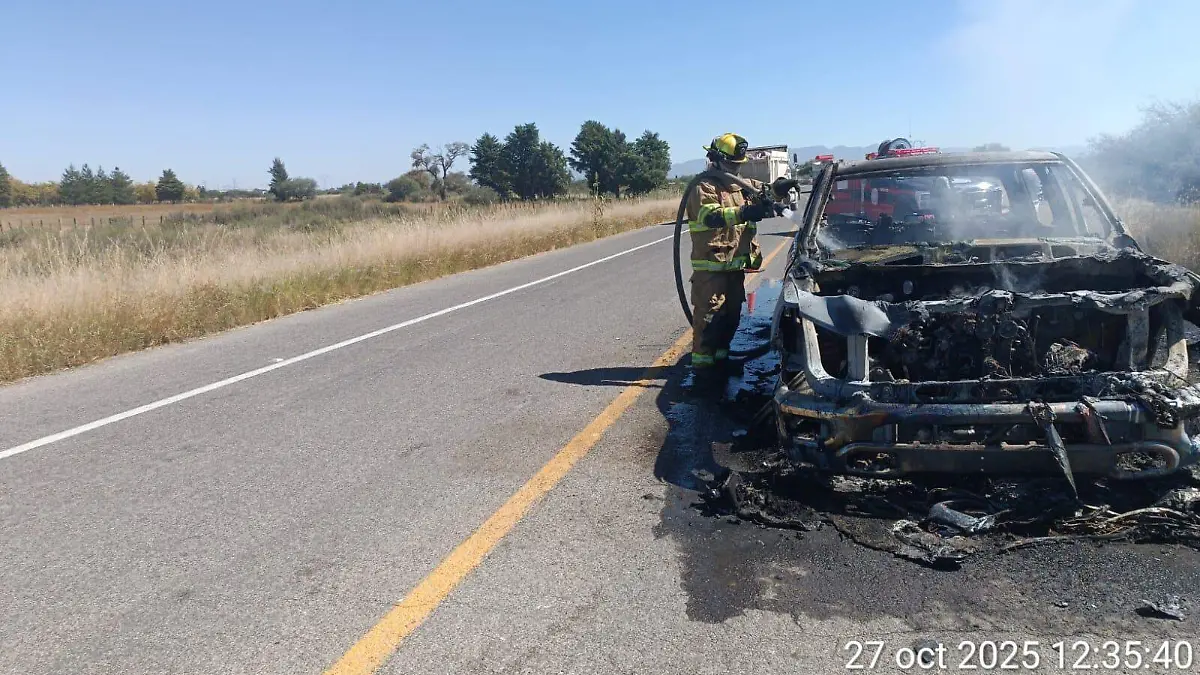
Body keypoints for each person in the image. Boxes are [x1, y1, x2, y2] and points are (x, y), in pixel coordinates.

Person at [685, 133, 798, 385]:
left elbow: (764, 191)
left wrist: (782, 186)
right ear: (715, 159)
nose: (736, 169)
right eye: (732, 165)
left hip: (733, 267)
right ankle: (703, 373)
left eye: (738, 165)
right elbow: (710, 216)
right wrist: (747, 211)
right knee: (710, 319)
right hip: (711, 268)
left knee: (731, 317)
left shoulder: (738, 184)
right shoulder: (702, 187)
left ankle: (721, 362)